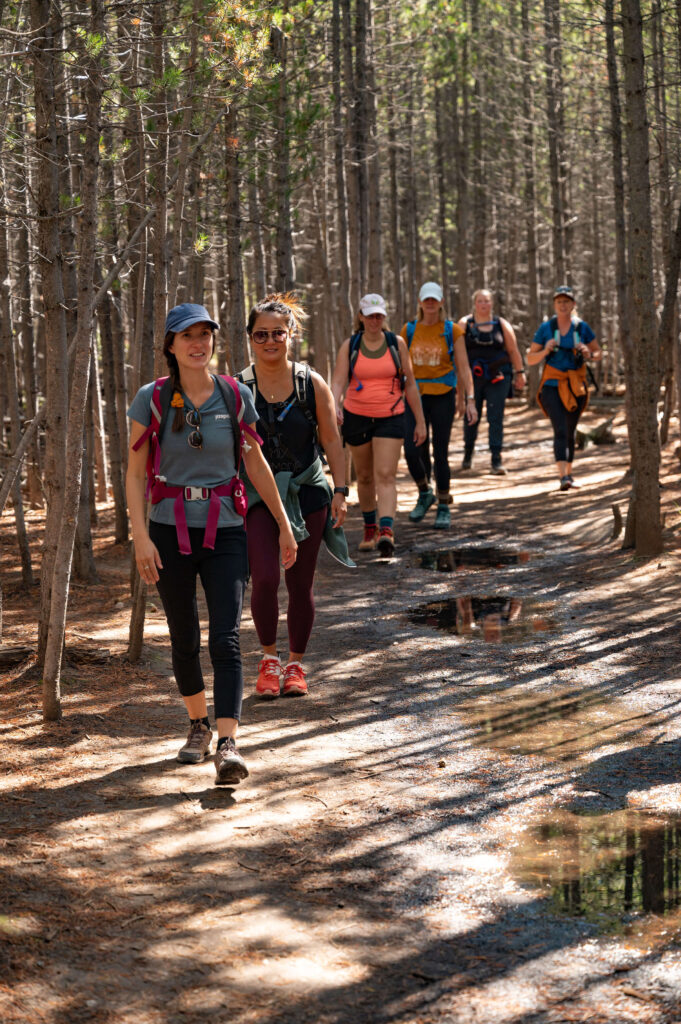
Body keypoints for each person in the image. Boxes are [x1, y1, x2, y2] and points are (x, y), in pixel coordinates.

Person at [126, 302, 297, 786]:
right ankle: (197, 725)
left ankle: (228, 744)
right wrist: (140, 537)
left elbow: (256, 463)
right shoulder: (152, 399)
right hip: (167, 530)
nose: (199, 344)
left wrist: (283, 523)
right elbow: (136, 472)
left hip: (226, 530)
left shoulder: (234, 394)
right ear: (171, 346)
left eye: (206, 335)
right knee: (183, 637)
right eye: (188, 337)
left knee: (224, 638)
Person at [239, 293, 354, 701]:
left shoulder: (310, 382)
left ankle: (295, 665)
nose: (270, 341)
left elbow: (332, 441)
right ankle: (269, 661)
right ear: (250, 339)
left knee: (300, 582)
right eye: (260, 335)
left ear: (292, 335)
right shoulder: (239, 387)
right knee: (266, 578)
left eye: (278, 333)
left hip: (308, 492)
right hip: (258, 499)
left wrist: (340, 490)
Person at [331, 293, 427, 556]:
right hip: (356, 415)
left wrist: (419, 421)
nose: (374, 320)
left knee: (385, 474)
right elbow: (338, 381)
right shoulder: (349, 346)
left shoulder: (396, 343)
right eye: (370, 315)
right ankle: (369, 527)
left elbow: (410, 384)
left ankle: (387, 531)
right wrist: (334, 406)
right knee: (363, 476)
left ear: (384, 317)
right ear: (361, 317)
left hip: (391, 415)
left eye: (379, 316)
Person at [401, 282, 478, 529]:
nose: (431, 303)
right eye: (427, 299)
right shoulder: (408, 330)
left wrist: (469, 399)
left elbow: (464, 367)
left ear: (441, 302)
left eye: (435, 299)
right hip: (414, 397)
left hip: (443, 394)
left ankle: (443, 505)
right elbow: (399, 366)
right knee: (413, 450)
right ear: (420, 302)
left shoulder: (452, 330)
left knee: (440, 452)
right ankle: (425, 493)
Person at [527, 285, 602, 490]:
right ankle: (563, 477)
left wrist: (588, 352)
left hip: (576, 386)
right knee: (559, 429)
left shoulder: (582, 328)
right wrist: (545, 350)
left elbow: (598, 353)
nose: (563, 305)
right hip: (552, 385)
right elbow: (530, 358)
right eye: (559, 301)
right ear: (554, 304)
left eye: (566, 301)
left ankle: (569, 473)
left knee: (570, 430)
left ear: (573, 304)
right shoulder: (546, 329)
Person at [458, 289, 526, 475]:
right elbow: (456, 351)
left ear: (492, 303)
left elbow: (513, 350)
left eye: (487, 301)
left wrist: (520, 373)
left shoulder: (501, 324)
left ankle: (496, 459)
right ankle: (467, 455)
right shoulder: (465, 324)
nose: (483, 304)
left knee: (496, 417)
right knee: (472, 416)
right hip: (473, 378)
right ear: (475, 303)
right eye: (480, 301)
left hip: (498, 377)